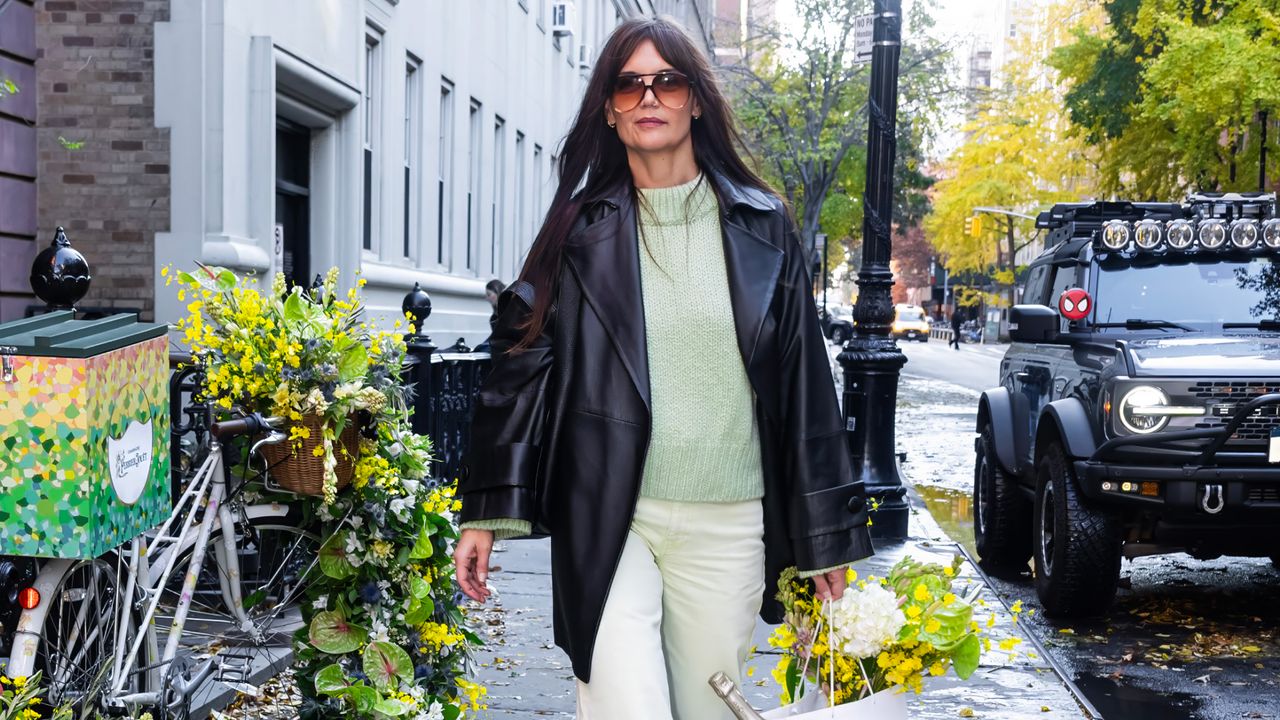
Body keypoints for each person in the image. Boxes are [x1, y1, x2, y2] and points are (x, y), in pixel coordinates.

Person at [452, 16, 872, 720]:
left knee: (709, 711)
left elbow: (805, 389)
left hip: (731, 522)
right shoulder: (578, 231)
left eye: (667, 82)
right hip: (613, 516)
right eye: (629, 84)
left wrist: (824, 536)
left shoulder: (763, 224)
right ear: (610, 111)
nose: (649, 97)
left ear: (696, 100)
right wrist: (489, 509)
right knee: (627, 707)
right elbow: (520, 367)